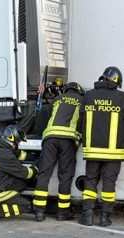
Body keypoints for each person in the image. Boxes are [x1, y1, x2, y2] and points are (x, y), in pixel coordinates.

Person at [33, 82, 85, 222]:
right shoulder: (81, 101)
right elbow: (83, 123)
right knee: (65, 176)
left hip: (50, 138)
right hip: (67, 140)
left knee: (44, 173)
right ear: (79, 91)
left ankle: (39, 211)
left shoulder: (57, 99)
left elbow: (47, 116)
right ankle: (63, 213)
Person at [79, 66, 124, 227]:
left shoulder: (89, 95)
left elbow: (80, 121)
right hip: (114, 153)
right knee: (109, 184)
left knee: (90, 181)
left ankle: (88, 216)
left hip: (92, 151)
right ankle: (105, 218)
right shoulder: (121, 97)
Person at [0, 125, 38, 224]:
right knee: (25, 204)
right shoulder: (6, 156)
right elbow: (26, 174)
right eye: (18, 142)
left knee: (20, 183)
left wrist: (32, 155)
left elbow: (18, 153)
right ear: (13, 140)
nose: (18, 144)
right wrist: (36, 167)